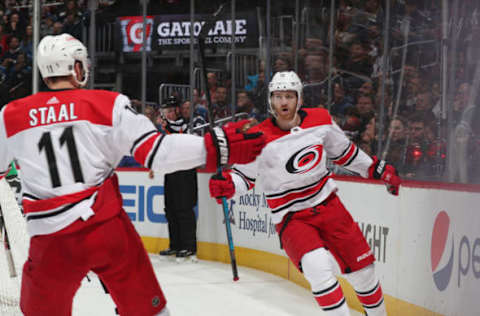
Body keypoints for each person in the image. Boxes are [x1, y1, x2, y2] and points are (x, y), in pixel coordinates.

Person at [0, 33, 266, 316]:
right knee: (148, 311)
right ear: (77, 68)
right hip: (103, 230)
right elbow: (157, 152)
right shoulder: (106, 104)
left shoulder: (10, 115)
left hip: (49, 240)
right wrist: (216, 147)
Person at [209, 71, 401, 316]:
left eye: (289, 96)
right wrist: (228, 185)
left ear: (299, 98)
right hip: (291, 216)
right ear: (270, 100)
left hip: (328, 205)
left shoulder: (320, 119)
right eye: (278, 97)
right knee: (317, 268)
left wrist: (377, 169)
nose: (284, 102)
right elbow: (244, 178)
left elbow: (344, 153)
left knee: (364, 274)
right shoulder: (257, 137)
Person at [155, 96, 200, 260]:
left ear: (176, 110)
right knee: (171, 209)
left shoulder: (188, 124)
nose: (167, 114)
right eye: (165, 111)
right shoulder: (167, 126)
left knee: (184, 209)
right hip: (170, 171)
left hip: (185, 172)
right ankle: (175, 245)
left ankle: (189, 247)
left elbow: (182, 141)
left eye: (169, 110)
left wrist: (167, 129)